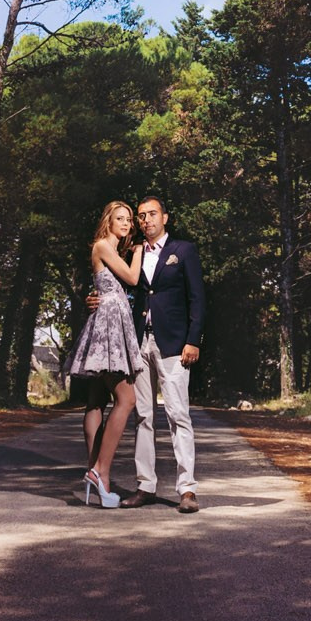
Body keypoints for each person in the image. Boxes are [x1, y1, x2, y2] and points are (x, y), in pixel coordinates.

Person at [90, 195, 206, 513]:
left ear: (165, 217)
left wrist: (193, 340)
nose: (145, 220)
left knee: (178, 414)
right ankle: (146, 486)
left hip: (173, 344)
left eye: (152, 214)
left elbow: (197, 298)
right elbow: (117, 286)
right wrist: (96, 300)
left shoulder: (183, 251)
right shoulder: (132, 253)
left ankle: (187, 490)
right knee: (143, 416)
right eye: (141, 216)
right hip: (138, 343)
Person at [63, 200, 145, 508]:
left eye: (128, 220)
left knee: (96, 399)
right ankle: (100, 471)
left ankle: (96, 475)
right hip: (109, 325)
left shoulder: (109, 251)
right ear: (108, 220)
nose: (126, 224)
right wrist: (137, 253)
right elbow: (133, 279)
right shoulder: (102, 245)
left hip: (111, 320)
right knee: (127, 399)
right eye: (120, 218)